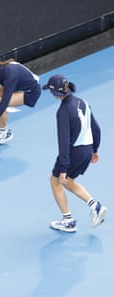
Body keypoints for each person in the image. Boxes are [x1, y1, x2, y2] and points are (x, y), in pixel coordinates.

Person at [42, 74, 107, 232]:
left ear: (55, 93)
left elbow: (63, 142)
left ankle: (68, 221)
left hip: (74, 152)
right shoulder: (83, 102)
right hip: (87, 150)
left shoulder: (63, 111)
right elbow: (96, 128)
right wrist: (95, 149)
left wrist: (63, 168)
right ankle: (95, 206)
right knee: (68, 181)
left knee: (55, 180)